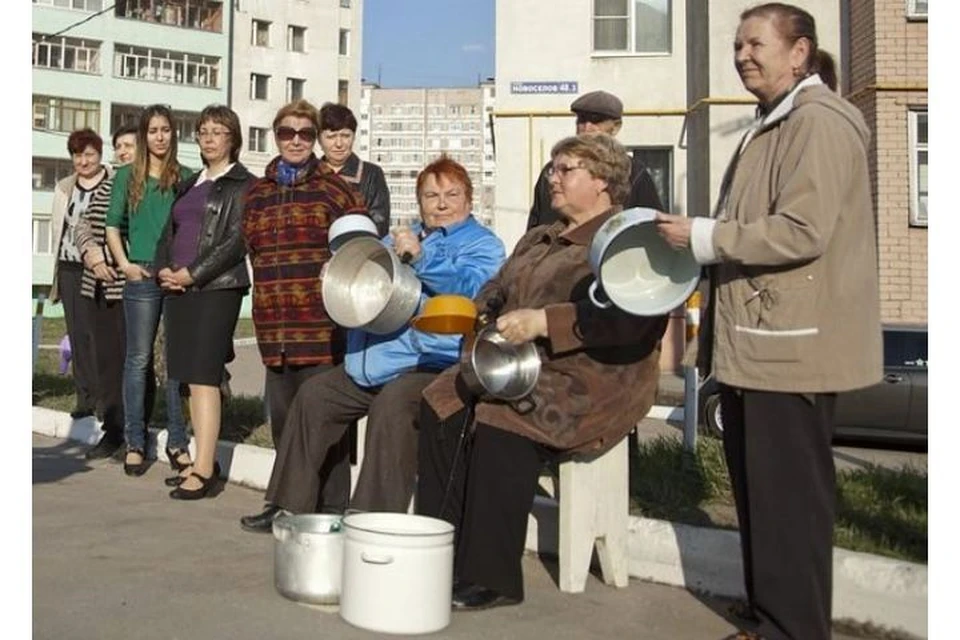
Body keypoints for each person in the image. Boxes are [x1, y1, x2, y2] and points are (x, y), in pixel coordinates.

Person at [654, 4, 881, 639]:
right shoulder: (773, 124)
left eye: (756, 44)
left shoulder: (821, 122)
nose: (742, 55)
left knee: (789, 504)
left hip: (793, 349)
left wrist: (703, 235)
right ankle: (768, 617)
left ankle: (793, 628)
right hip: (760, 346)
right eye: (737, 45)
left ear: (800, 52)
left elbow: (802, 231)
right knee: (761, 500)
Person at [416, 134, 668, 611]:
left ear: (602, 182)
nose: (552, 177)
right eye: (553, 168)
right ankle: (438, 550)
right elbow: (497, 284)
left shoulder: (627, 241)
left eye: (565, 169)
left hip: (596, 379)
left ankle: (492, 577)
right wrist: (486, 310)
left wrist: (544, 322)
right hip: (526, 364)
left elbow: (631, 321)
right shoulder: (540, 236)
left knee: (501, 418)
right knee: (441, 399)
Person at [240, 156, 506, 533]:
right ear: (419, 202)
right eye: (431, 195)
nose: (441, 204)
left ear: (469, 200)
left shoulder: (483, 245)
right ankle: (287, 505)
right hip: (370, 364)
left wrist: (420, 257)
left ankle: (370, 520)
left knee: (393, 408)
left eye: (451, 194)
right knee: (314, 398)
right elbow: (360, 275)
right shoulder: (398, 236)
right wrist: (335, 275)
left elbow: (474, 290)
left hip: (432, 364)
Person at [241, 99, 370, 521]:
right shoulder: (257, 194)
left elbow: (361, 253)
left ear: (314, 139)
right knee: (285, 425)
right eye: (286, 133)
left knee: (327, 427)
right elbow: (244, 249)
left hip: (321, 329)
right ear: (276, 136)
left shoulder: (338, 190)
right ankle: (289, 506)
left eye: (305, 133)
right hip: (273, 330)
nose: (295, 140)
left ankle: (332, 509)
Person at [153, 105, 255, 500]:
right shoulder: (191, 182)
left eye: (218, 132)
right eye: (204, 131)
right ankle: (198, 461)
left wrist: (192, 273)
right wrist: (164, 269)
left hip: (216, 288)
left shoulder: (245, 184)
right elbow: (169, 231)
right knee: (188, 379)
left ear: (233, 139)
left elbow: (237, 240)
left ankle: (206, 468)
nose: (209, 138)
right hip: (177, 289)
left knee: (204, 375)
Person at [105, 104, 194, 478]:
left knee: (175, 365)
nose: (159, 137)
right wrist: (124, 265)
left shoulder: (186, 176)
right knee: (138, 360)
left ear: (174, 134)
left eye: (166, 130)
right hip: (140, 275)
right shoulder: (127, 176)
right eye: (153, 130)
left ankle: (177, 441)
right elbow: (112, 226)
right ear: (144, 136)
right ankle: (135, 442)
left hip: (174, 278)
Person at [526, 90, 663, 230]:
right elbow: (537, 225)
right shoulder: (553, 171)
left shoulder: (632, 171)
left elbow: (652, 227)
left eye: (596, 120)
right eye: (582, 120)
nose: (587, 128)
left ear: (615, 127)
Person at [49, 128, 110, 421]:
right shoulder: (64, 187)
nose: (84, 161)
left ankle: (103, 398)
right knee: (76, 334)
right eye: (78, 155)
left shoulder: (112, 183)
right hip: (69, 268)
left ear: (99, 154)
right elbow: (58, 229)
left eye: (89, 154)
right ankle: (84, 398)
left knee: (97, 334)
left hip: (99, 269)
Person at [318, 102, 391, 237]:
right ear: (319, 140)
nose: (339, 144)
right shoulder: (311, 175)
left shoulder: (371, 174)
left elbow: (379, 224)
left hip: (358, 251)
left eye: (346, 136)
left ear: (354, 137)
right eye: (331, 137)